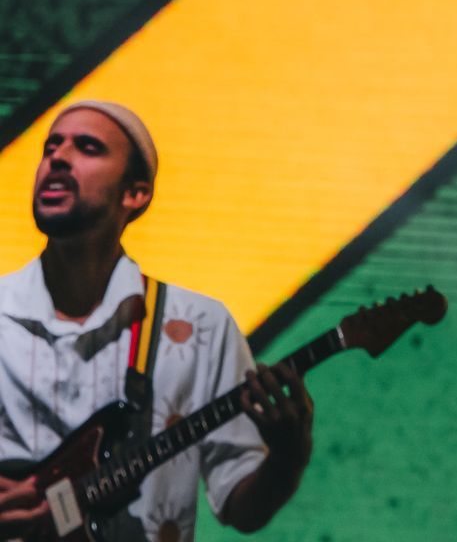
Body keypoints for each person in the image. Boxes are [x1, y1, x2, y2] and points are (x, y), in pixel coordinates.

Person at [0, 102, 315, 540]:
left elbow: (242, 510)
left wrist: (288, 458)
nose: (58, 156)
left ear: (136, 194)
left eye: (87, 147)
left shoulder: (201, 324)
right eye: (50, 146)